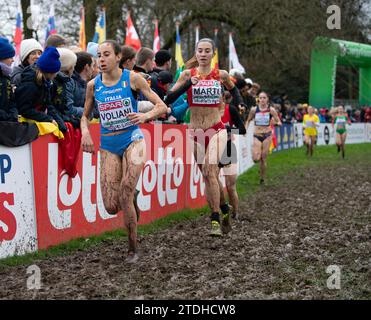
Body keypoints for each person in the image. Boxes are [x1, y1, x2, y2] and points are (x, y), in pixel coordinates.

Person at [81, 40, 167, 263]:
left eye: (106, 54)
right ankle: (133, 200)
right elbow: (85, 116)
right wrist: (85, 132)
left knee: (125, 190)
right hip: (109, 144)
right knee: (111, 206)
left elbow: (161, 106)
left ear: (118, 57)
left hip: (133, 140)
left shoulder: (133, 79)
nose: (101, 59)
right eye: (99, 55)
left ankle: (132, 249)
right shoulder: (93, 85)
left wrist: (145, 116)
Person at [165, 38, 244, 237]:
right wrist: (186, 85)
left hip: (216, 129)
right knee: (209, 177)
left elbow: (234, 89)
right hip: (196, 132)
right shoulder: (187, 74)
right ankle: (223, 208)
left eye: (207, 51)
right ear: (196, 53)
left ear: (212, 53)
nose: (203, 54)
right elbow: (169, 99)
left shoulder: (221, 75)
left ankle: (215, 220)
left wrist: (240, 103)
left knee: (210, 170)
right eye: (200, 50)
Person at [15, 46, 66, 132]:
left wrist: (61, 125)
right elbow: (25, 109)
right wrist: (48, 119)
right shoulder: (30, 84)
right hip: (24, 129)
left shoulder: (46, 82)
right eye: (55, 72)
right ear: (49, 72)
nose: (56, 75)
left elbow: (48, 104)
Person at [218, 90, 246, 223]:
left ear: (223, 97)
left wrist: (228, 130)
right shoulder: (208, 111)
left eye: (218, 95)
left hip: (228, 148)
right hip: (212, 149)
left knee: (230, 186)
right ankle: (222, 209)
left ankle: (235, 212)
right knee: (213, 182)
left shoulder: (231, 109)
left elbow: (243, 129)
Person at [246, 91, 282, 185]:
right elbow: (248, 120)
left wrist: (278, 123)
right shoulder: (254, 110)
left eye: (264, 98)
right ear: (258, 99)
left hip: (267, 135)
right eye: (260, 98)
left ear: (267, 99)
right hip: (257, 135)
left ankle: (262, 177)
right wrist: (245, 129)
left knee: (263, 158)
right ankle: (254, 152)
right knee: (256, 158)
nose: (262, 100)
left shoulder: (271, 110)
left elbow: (278, 121)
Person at [0, 37, 18, 122]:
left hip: (7, 124)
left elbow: (12, 101)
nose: (13, 60)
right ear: (2, 57)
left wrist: (13, 114)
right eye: (10, 57)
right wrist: (6, 117)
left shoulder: (7, 77)